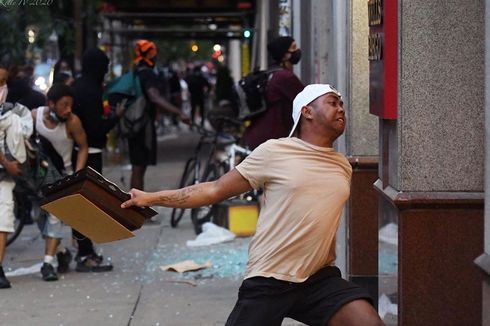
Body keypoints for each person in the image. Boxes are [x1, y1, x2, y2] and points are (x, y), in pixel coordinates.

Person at [121, 84, 384, 325]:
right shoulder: (275, 152)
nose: (341, 109)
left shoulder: (341, 165)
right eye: (332, 102)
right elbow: (214, 189)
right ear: (307, 112)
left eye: (342, 104)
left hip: (318, 278)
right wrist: (151, 198)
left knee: (367, 321)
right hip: (270, 277)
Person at [32, 83, 89, 281]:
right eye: (64, 105)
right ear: (51, 104)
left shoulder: (73, 122)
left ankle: (48, 264)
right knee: (38, 217)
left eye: (70, 105)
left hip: (64, 178)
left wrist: (77, 176)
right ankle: (62, 251)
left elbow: (83, 147)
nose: (68, 109)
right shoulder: (34, 116)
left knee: (55, 216)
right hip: (39, 179)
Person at [71, 48, 119, 273]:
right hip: (90, 153)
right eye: (105, 66)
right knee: (87, 203)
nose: (107, 71)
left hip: (76, 152)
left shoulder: (77, 87)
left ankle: (84, 249)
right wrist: (115, 119)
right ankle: (84, 253)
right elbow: (96, 129)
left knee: (80, 201)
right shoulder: (92, 91)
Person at [129, 39, 190, 190]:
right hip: (142, 125)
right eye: (154, 54)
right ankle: (136, 204)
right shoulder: (147, 74)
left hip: (133, 123)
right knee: (139, 166)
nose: (155, 57)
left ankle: (136, 201)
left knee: (138, 165)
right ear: (150, 55)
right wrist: (178, 112)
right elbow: (155, 97)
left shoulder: (135, 72)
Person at [0, 65, 34, 288]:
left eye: (3, 82)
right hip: (5, 171)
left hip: (4, 178)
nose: (1, 87)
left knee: (3, 221)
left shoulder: (12, 112)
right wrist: (6, 164)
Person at [241, 36, 305, 150]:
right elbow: (307, 100)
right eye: (293, 47)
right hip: (271, 140)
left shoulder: (271, 74)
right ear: (285, 55)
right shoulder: (285, 77)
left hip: (257, 136)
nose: (297, 51)